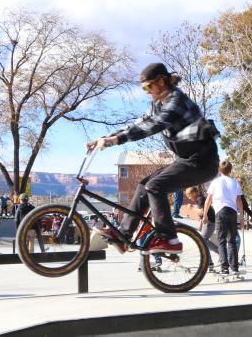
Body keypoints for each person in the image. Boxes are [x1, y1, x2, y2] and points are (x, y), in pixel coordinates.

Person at [89, 63, 219, 255]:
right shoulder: (157, 104)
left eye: (149, 87)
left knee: (155, 186)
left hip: (202, 162)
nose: (147, 92)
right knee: (144, 185)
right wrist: (106, 137)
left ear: (162, 81)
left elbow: (155, 125)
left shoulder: (176, 100)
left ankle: (170, 239)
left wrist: (116, 140)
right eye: (144, 89)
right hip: (187, 160)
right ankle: (124, 235)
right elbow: (140, 123)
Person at [200, 161, 243, 275]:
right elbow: (239, 201)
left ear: (219, 170)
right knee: (232, 241)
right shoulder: (235, 183)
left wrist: (204, 215)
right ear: (231, 170)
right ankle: (234, 267)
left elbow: (208, 199)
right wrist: (242, 218)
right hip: (233, 212)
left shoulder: (215, 182)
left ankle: (225, 268)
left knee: (221, 241)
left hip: (221, 212)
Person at [185, 186, 218, 256]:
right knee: (204, 241)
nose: (189, 198)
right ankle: (209, 261)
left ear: (193, 193)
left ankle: (221, 253)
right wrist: (200, 225)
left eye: (189, 196)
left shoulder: (200, 199)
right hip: (208, 222)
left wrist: (192, 207)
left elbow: (202, 212)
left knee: (203, 240)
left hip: (210, 222)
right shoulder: (199, 199)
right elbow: (201, 214)